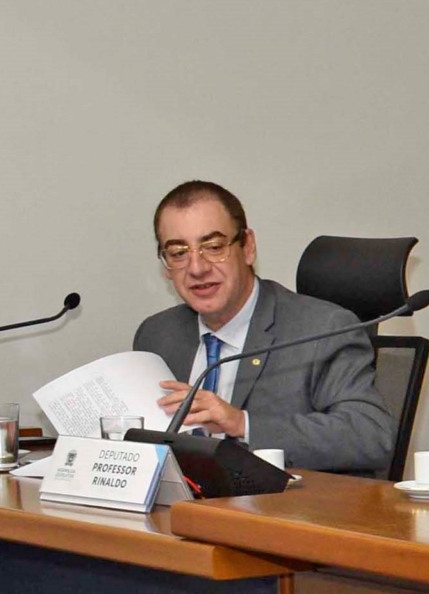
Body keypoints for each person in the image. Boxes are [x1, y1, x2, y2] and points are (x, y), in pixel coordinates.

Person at [131, 181, 394, 474]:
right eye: (179, 253)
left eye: (214, 247)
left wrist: (242, 424)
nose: (197, 268)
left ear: (248, 247)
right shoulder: (157, 334)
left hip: (279, 513)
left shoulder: (323, 329)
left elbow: (370, 436)